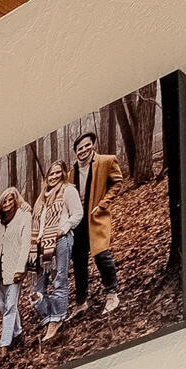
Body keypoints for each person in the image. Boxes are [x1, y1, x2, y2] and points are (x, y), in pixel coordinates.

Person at [68, 133, 124, 318]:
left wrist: (103, 204)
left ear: (93, 145)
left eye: (86, 146)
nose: (83, 150)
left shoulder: (107, 161)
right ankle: (81, 302)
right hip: (78, 222)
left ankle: (112, 294)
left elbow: (117, 182)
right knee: (79, 262)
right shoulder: (72, 172)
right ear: (75, 151)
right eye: (79, 148)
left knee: (102, 255)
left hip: (96, 217)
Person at [36, 164, 83, 337]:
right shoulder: (42, 198)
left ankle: (56, 319)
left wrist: (62, 230)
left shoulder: (68, 190)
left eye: (58, 173)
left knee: (59, 280)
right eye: (51, 173)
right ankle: (49, 316)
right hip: (41, 246)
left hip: (60, 241)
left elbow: (77, 214)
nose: (54, 176)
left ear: (63, 174)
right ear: (46, 176)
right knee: (36, 289)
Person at [0, 183, 33, 357]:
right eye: (4, 200)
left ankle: (4, 344)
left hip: (14, 269)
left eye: (11, 200)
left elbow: (25, 244)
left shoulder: (24, 216)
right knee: (3, 307)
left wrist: (20, 268)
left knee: (10, 306)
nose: (7, 203)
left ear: (16, 201)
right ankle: (18, 332)